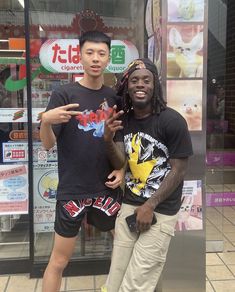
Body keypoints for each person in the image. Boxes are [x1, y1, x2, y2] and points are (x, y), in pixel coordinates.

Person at [40, 30, 125, 292]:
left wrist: (122, 170)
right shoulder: (64, 95)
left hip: (106, 188)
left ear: (109, 58)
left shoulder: (114, 98)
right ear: (80, 56)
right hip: (72, 189)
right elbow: (47, 144)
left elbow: (121, 144)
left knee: (123, 252)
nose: (95, 58)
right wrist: (45, 121)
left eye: (101, 53)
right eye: (90, 53)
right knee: (59, 260)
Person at [103, 58, 193, 292]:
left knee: (136, 282)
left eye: (146, 80)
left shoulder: (172, 121)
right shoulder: (124, 120)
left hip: (160, 210)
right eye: (134, 80)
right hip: (130, 206)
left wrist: (150, 205)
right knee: (115, 279)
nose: (140, 84)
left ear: (155, 85)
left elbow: (179, 169)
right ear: (127, 87)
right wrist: (107, 139)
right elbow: (121, 161)